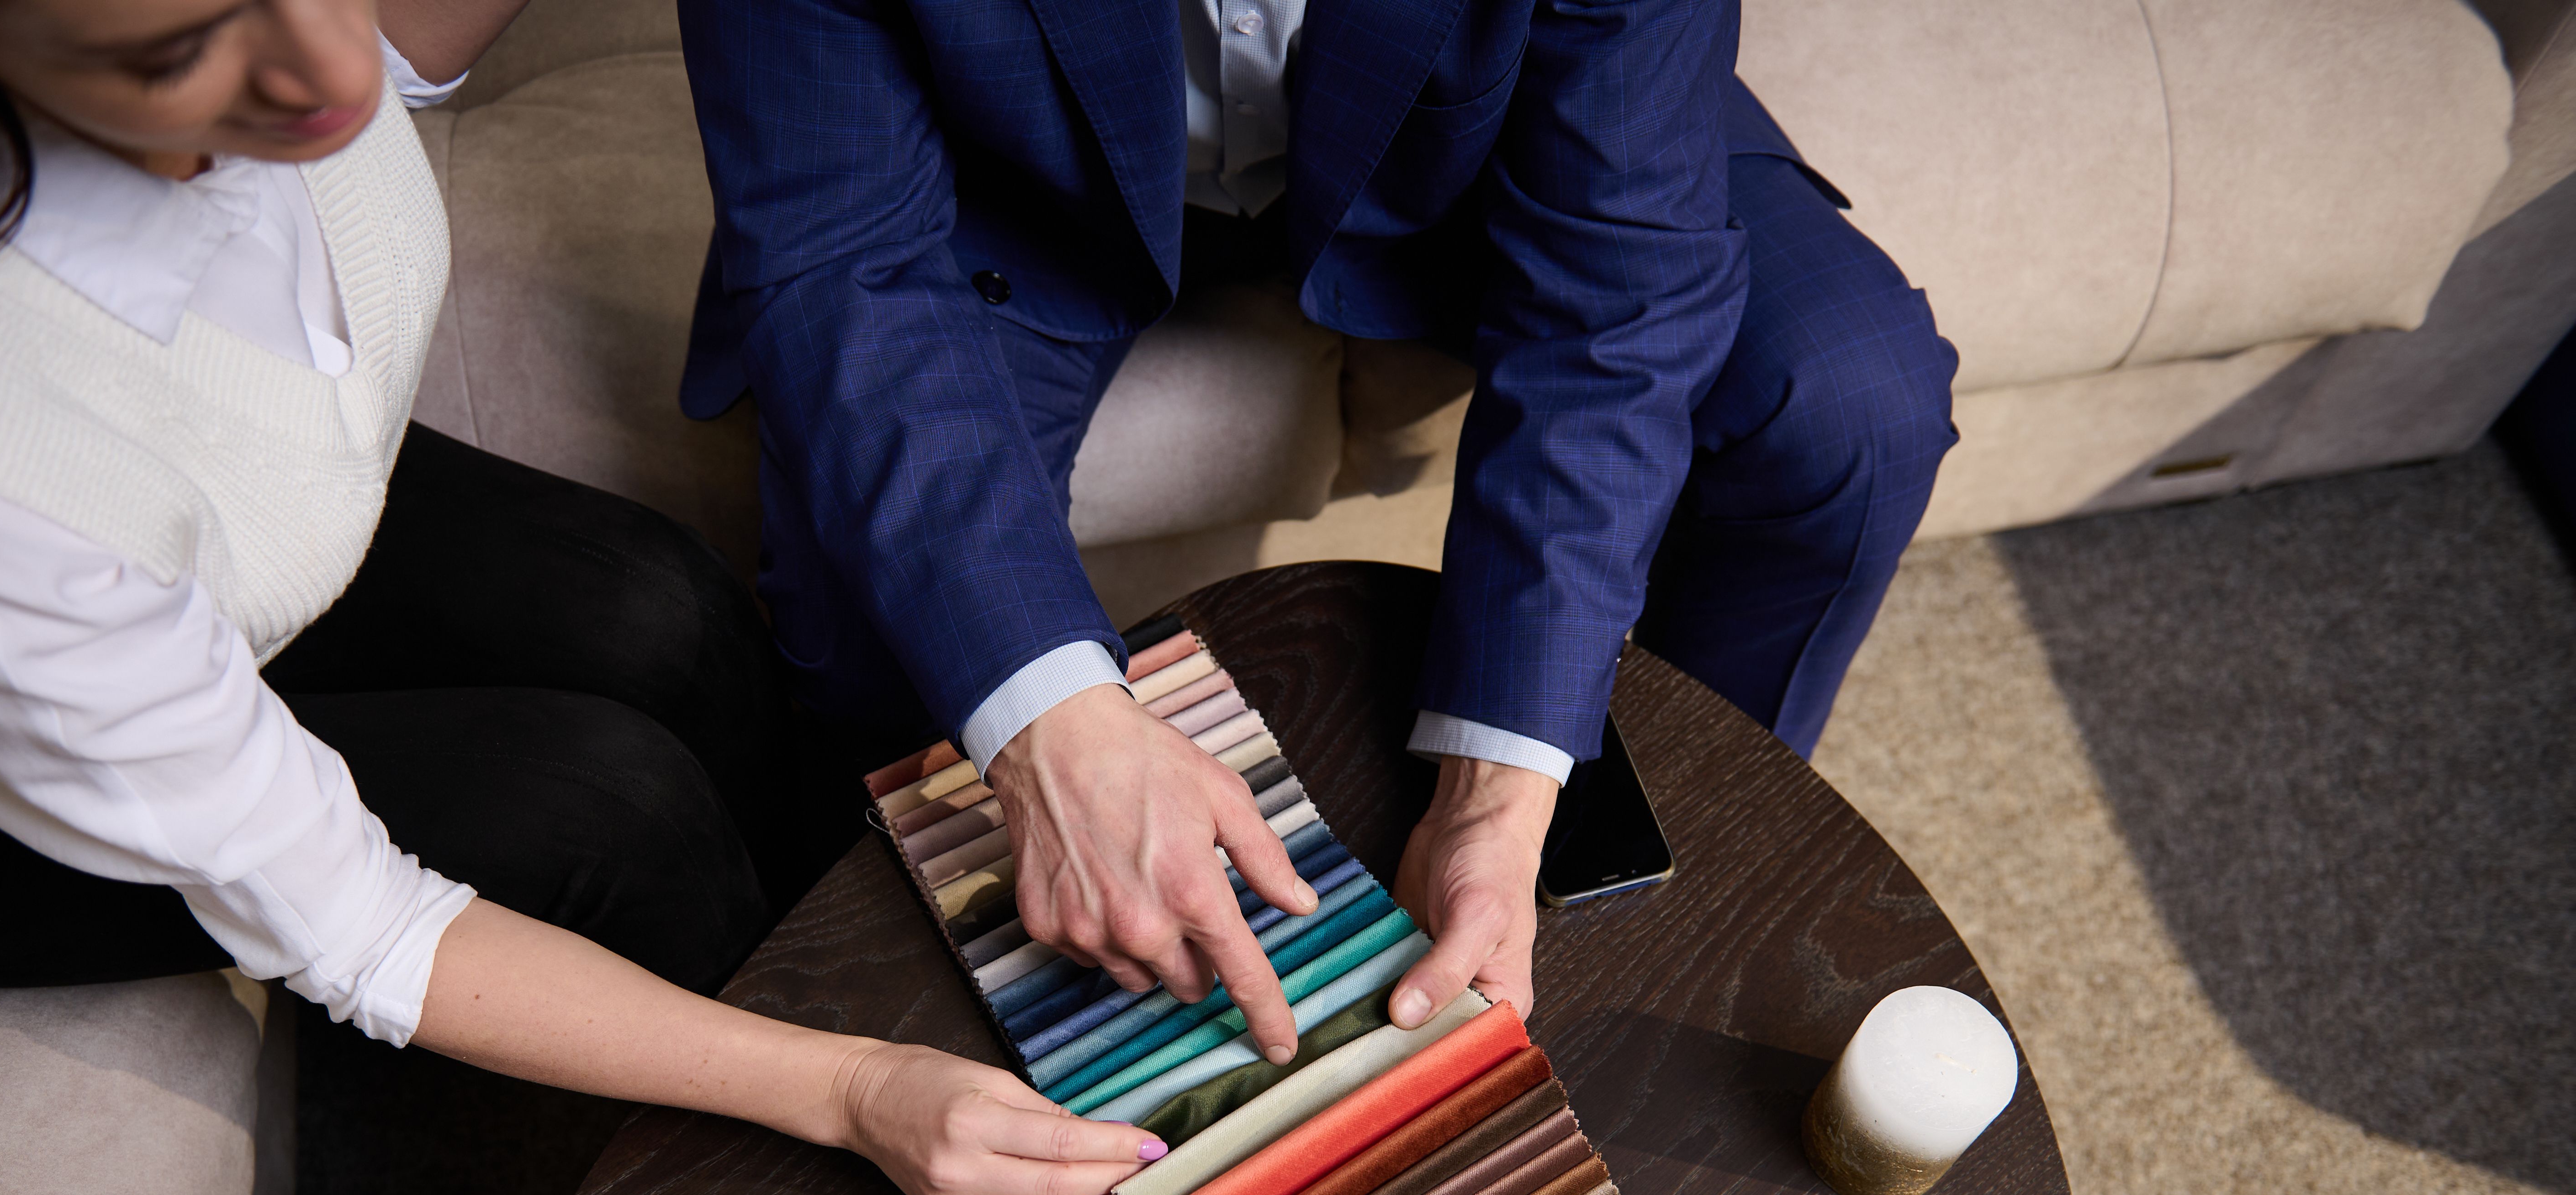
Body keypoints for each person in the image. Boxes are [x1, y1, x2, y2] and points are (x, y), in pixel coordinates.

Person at [0, 0, 1163, 1195]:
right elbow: (359, 926)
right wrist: (850, 1089)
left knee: (662, 602)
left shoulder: (300, 54)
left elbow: (391, 53)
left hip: (231, 538)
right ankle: (765, 1179)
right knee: (603, 817)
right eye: (177, 56)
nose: (330, 75)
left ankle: (815, 961)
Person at [680, 0, 1957, 1073]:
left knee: (1852, 406)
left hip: (1487, 133)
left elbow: (1620, 304)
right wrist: (1044, 726)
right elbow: (839, 257)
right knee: (869, 615)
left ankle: (1615, 901)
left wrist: (1499, 797)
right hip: (1005, 176)